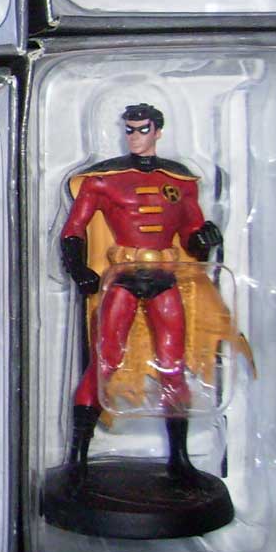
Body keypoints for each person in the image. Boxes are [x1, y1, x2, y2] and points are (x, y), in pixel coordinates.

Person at [57, 103, 222, 479]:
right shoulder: (104, 180)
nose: (134, 136)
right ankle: (77, 458)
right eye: (129, 129)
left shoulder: (181, 181)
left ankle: (180, 459)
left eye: (142, 129)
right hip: (123, 278)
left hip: (165, 277)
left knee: (172, 367)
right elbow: (74, 228)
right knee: (105, 361)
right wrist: (78, 268)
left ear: (157, 131)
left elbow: (192, 238)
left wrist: (205, 240)